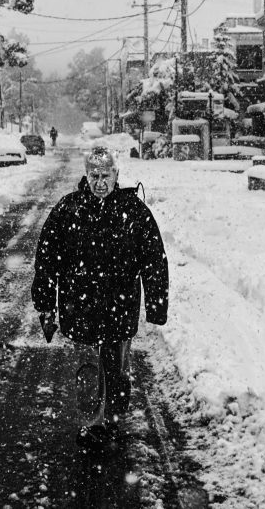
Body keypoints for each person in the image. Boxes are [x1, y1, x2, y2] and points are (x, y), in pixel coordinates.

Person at [32, 145, 169, 449]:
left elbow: (154, 259)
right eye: (94, 176)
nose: (100, 182)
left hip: (120, 308)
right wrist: (45, 305)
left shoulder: (134, 212)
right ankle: (91, 424)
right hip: (79, 309)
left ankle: (112, 419)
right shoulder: (68, 210)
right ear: (86, 175)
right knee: (88, 371)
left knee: (116, 369)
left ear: (116, 175)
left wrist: (156, 304)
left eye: (105, 175)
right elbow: (47, 260)